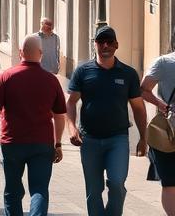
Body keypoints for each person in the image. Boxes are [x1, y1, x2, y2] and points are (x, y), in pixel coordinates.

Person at [67, 25, 147, 216]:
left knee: (117, 183)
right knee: (93, 191)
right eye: (101, 41)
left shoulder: (128, 74)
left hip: (117, 139)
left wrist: (144, 138)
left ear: (116, 45)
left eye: (109, 41)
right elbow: (71, 103)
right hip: (89, 139)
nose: (105, 45)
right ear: (94, 44)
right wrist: (72, 128)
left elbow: (138, 108)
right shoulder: (83, 72)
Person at [0, 34, 67, 216]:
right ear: (41, 54)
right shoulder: (51, 80)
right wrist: (58, 143)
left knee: (12, 191)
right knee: (39, 190)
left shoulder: (6, 76)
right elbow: (60, 116)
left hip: (12, 142)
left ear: (21, 52)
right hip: (42, 143)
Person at [141, 46, 175, 216]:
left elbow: (144, 89)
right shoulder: (165, 62)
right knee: (170, 182)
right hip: (167, 131)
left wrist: (161, 105)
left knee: (170, 183)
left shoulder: (163, 62)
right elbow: (143, 90)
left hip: (167, 130)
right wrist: (162, 105)